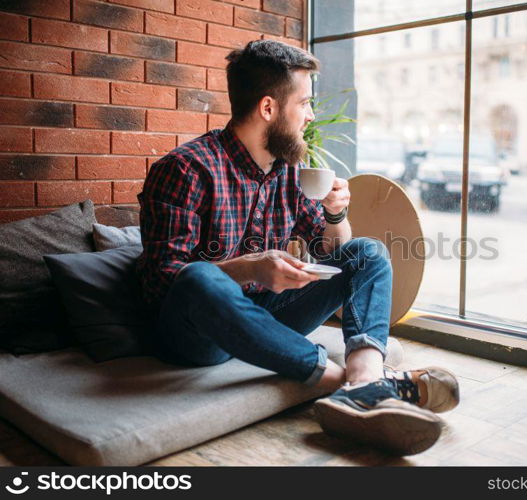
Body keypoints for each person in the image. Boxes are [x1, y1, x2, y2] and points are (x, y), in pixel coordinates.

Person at [135, 40, 459, 456]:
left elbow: (335, 254)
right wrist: (250, 268)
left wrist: (336, 215)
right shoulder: (186, 169)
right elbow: (163, 283)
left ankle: (362, 384)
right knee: (199, 276)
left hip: (271, 314)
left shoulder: (290, 173)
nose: (309, 116)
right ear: (268, 108)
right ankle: (351, 386)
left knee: (368, 252)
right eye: (304, 103)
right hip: (198, 335)